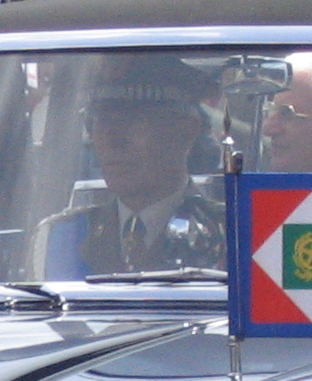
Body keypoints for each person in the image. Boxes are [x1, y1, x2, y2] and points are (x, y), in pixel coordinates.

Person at [39, 56, 223, 278]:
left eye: (135, 122)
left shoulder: (234, 234)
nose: (112, 140)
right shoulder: (60, 235)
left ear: (186, 131)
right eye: (100, 122)